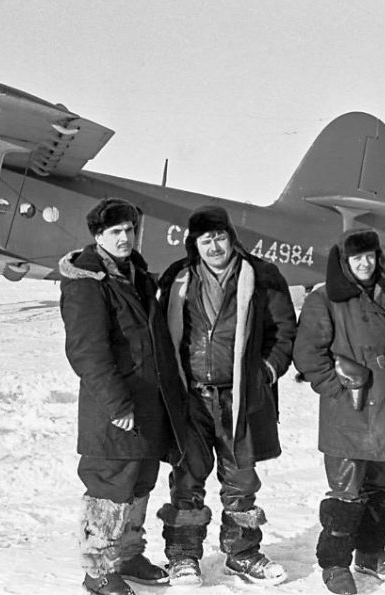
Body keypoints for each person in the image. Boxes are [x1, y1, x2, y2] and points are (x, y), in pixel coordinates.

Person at [155, 205, 297, 586]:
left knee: (241, 481)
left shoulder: (262, 276)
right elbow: (161, 335)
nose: (215, 246)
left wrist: (266, 371)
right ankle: (183, 556)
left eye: (220, 237)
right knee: (187, 478)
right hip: (192, 398)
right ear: (194, 244)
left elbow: (283, 332)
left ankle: (242, 553)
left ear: (231, 238)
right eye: (206, 239)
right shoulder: (178, 279)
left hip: (240, 399)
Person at [59, 198, 189, 595]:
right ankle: (98, 568)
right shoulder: (87, 283)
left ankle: (128, 554)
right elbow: (86, 352)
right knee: (109, 485)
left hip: (148, 404)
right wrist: (117, 404)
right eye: (115, 232)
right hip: (113, 409)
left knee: (139, 482)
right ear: (98, 236)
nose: (124, 238)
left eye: (129, 230)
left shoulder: (138, 276)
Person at [294, 228, 385, 595]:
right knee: (345, 491)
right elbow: (308, 354)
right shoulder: (324, 300)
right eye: (356, 258)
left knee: (381, 486)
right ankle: (335, 564)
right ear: (344, 262)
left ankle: (369, 551)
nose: (365, 263)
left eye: (369, 256)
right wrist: (336, 389)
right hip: (350, 408)